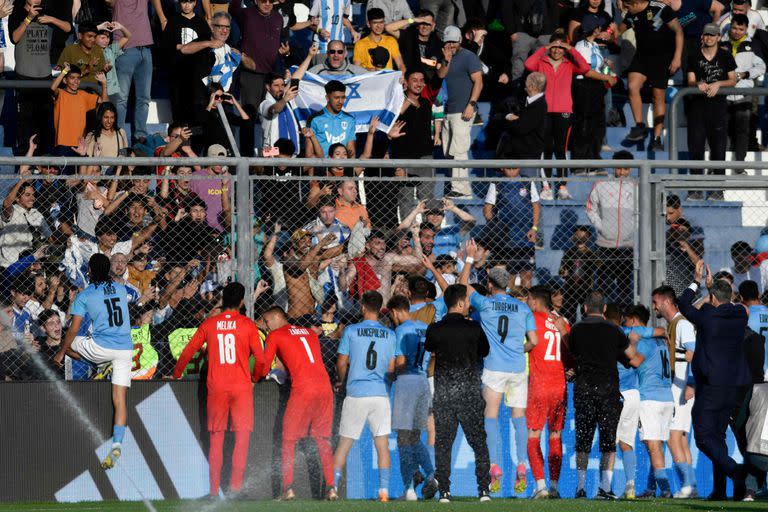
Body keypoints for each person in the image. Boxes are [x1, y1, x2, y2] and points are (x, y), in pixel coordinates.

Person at [459, 240, 539, 495]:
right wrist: (519, 349)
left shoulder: (486, 303)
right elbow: (534, 342)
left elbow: (461, 289)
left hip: (494, 367)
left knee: (490, 417)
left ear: (490, 285)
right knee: (519, 419)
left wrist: (469, 260)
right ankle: (523, 466)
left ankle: (494, 466)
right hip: (518, 368)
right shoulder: (523, 307)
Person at [173, 282, 264, 498]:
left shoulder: (210, 324)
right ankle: (235, 488)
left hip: (217, 387)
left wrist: (176, 374)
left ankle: (214, 491)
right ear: (242, 302)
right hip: (241, 387)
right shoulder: (248, 325)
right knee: (242, 437)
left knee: (216, 438)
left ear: (222, 301)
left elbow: (187, 353)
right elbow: (261, 360)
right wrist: (256, 377)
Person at [53, 254, 133, 469]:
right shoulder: (120, 289)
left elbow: (74, 328)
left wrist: (61, 354)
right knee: (120, 399)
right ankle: (117, 444)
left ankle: (95, 363)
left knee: (66, 341)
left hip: (101, 348)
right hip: (125, 349)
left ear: (89, 271)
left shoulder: (85, 295)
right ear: (108, 270)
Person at [679, 260, 750, 499]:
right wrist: (712, 289)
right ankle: (723, 490)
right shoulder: (740, 314)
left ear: (712, 298)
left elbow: (683, 304)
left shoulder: (708, 316)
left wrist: (697, 281)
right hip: (733, 386)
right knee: (718, 438)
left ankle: (735, 471)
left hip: (711, 385)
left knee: (702, 437)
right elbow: (736, 306)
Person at [569, 290, 643, 499]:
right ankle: (605, 486)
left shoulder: (576, 330)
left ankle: (581, 487)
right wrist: (633, 342)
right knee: (608, 439)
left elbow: (573, 353)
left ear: (584, 308)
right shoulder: (614, 330)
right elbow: (631, 356)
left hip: (584, 388)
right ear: (603, 309)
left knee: (583, 439)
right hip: (608, 389)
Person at [258, 306, 338, 501]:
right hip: (324, 388)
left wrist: (256, 376)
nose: (267, 327)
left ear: (277, 317)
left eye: (267, 322)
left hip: (303, 389)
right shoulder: (309, 333)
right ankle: (331, 488)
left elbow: (263, 365)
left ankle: (288, 488)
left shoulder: (275, 335)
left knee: (288, 439)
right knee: (322, 439)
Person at [424, 284, 491, 503]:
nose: (469, 305)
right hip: (469, 391)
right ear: (461, 302)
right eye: (468, 302)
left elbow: (429, 347)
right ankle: (483, 491)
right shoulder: (473, 328)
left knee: (444, 443)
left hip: (444, 392)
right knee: (479, 442)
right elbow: (484, 351)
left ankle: (444, 492)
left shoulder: (435, 329)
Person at [333, 291, 396, 502]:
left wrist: (342, 381)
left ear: (362, 308)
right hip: (379, 394)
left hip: (356, 393)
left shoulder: (351, 330)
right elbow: (391, 367)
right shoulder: (390, 334)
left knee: (344, 444)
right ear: (380, 308)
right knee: (382, 445)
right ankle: (384, 491)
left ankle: (332, 488)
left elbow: (342, 362)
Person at [524, 30, 592, 200]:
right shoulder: (541, 62)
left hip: (564, 111)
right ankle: (546, 187)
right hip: (544, 111)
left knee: (560, 149)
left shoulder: (569, 64)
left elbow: (585, 68)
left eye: (560, 48)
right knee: (545, 149)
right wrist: (544, 47)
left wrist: (571, 49)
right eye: (554, 47)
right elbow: (528, 65)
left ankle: (562, 187)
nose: (556, 51)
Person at [386, 294, 438, 500]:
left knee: (403, 439)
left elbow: (399, 362)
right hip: (423, 381)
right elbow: (432, 354)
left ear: (395, 311)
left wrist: (388, 375)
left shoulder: (400, 331)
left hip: (406, 382)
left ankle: (408, 490)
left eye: (391, 315)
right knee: (415, 437)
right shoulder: (424, 328)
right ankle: (432, 475)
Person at [651, 285, 699, 498]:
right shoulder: (674, 325)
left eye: (655, 303)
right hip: (679, 388)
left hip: (682, 389)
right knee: (679, 437)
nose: (654, 307)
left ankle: (687, 486)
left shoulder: (682, 325)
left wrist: (692, 383)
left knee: (673, 438)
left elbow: (696, 354)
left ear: (665, 302)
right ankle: (691, 487)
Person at [624, 305, 675, 499]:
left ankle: (666, 489)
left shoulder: (645, 341)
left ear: (635, 321)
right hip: (666, 397)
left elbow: (635, 361)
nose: (625, 324)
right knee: (657, 446)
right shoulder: (660, 340)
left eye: (627, 320)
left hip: (650, 399)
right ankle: (651, 488)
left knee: (653, 446)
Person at [9, 0, 73, 154]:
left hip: (44, 77)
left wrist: (51, 19)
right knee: (25, 124)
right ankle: (25, 168)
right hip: (24, 77)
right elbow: (14, 38)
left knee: (45, 124)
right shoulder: (17, 13)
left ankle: (44, 166)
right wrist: (28, 18)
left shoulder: (48, 11)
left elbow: (68, 28)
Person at [525, 285, 570, 499]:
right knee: (555, 434)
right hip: (560, 383)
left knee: (534, 433)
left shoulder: (530, 318)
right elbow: (571, 352)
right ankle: (554, 486)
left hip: (539, 383)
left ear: (534, 302)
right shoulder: (562, 322)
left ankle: (540, 486)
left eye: (528, 300)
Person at [621, 0, 684, 151]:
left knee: (658, 96)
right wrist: (608, 33)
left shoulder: (660, 9)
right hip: (641, 57)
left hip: (662, 58)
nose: (625, 9)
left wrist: (677, 57)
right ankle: (640, 126)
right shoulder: (631, 14)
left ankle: (656, 138)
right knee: (632, 86)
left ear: (635, 3)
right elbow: (617, 31)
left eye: (627, 6)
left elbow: (679, 32)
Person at [686, 23, 737, 199]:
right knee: (696, 148)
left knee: (719, 149)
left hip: (718, 109)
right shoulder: (693, 55)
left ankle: (717, 189)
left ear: (718, 37)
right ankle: (695, 189)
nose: (708, 37)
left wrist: (718, 83)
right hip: (697, 109)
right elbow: (690, 80)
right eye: (706, 34)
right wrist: (697, 84)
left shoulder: (725, 56)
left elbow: (732, 80)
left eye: (712, 35)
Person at [585, 156, 635, 305]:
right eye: (618, 168)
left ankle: (623, 320)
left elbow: (642, 210)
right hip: (605, 246)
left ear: (630, 169)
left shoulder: (636, 186)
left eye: (625, 168)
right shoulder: (602, 184)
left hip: (627, 247)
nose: (621, 172)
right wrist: (602, 226)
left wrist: (632, 228)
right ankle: (601, 319)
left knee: (625, 288)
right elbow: (590, 208)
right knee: (603, 286)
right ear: (614, 167)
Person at [441, 25, 483, 199]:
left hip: (463, 110)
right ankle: (455, 186)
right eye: (447, 41)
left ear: (460, 40)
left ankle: (462, 190)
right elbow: (440, 75)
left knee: (459, 149)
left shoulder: (469, 57)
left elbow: (479, 82)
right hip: (447, 110)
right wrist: (447, 60)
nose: (450, 45)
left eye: (453, 41)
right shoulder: (444, 57)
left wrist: (471, 104)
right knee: (448, 151)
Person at [111, 0, 161, 144]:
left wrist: (162, 18)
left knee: (144, 97)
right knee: (121, 98)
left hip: (145, 48)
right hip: (124, 48)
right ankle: (118, 136)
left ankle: (140, 136)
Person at [482, 168, 540, 287]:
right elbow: (487, 209)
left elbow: (536, 206)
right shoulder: (497, 183)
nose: (512, 171)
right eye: (509, 168)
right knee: (509, 276)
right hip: (506, 238)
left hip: (525, 236)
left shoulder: (527, 182)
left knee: (527, 274)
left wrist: (534, 228)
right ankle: (510, 302)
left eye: (515, 168)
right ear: (503, 168)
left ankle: (526, 303)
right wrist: (496, 227)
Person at [721, 15, 765, 165]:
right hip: (723, 92)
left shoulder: (753, 45)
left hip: (744, 93)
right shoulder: (720, 43)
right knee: (721, 129)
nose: (737, 31)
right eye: (734, 28)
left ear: (747, 29)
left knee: (742, 130)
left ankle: (740, 164)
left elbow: (761, 67)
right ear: (730, 27)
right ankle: (720, 166)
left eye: (741, 29)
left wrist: (746, 74)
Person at [229, 0, 284, 116]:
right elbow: (233, 8)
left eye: (271, 1)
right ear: (256, 1)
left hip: (271, 74)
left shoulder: (278, 18)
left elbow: (280, 43)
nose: (267, 4)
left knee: (271, 116)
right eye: (264, 1)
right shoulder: (247, 14)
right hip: (251, 74)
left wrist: (285, 52)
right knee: (249, 116)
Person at [162, 0, 211, 124]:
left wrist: (181, 46)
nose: (187, 5)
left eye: (190, 2)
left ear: (195, 3)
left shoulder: (201, 23)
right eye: (184, 2)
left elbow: (206, 46)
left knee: (195, 110)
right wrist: (181, 47)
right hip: (178, 72)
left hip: (196, 74)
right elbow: (166, 46)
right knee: (178, 111)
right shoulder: (173, 21)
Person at [50, 64, 108, 154]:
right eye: (72, 78)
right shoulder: (61, 94)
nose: (76, 81)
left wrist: (104, 84)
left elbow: (105, 103)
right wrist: (64, 71)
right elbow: (53, 88)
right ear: (65, 80)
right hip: (62, 144)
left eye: (78, 78)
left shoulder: (83, 95)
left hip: (80, 145)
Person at [496, 72, 548, 164]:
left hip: (530, 155)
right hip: (517, 152)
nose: (524, 83)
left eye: (527, 81)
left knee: (529, 178)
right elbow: (500, 115)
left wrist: (511, 120)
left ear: (532, 87)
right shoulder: (524, 100)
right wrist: (509, 116)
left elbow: (520, 128)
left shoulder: (539, 105)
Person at [559, 226, 601, 324]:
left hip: (586, 289)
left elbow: (600, 266)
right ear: (573, 237)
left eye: (583, 236)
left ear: (588, 238)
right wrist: (563, 273)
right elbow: (561, 270)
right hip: (570, 288)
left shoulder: (591, 254)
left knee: (586, 314)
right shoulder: (569, 253)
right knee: (568, 314)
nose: (580, 239)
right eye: (577, 236)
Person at [308, 80, 357, 159]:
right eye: (336, 97)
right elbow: (309, 155)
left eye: (343, 97)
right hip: (321, 168)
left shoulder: (349, 119)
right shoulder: (315, 119)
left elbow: (351, 152)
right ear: (327, 98)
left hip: (342, 169)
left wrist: (349, 171)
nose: (340, 101)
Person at [56, 21, 105, 85]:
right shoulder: (69, 50)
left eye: (95, 37)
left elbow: (101, 74)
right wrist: (86, 70)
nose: (93, 40)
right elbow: (63, 75)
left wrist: (105, 70)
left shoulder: (98, 51)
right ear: (80, 36)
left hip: (95, 92)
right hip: (75, 91)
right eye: (90, 36)